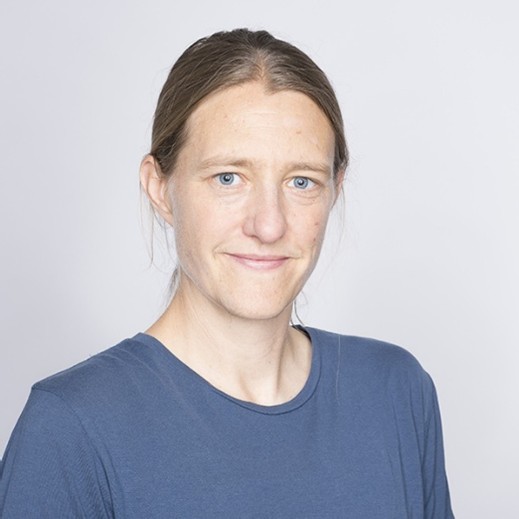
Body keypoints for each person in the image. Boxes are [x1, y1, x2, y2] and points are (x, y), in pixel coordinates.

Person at [0, 29, 454, 518]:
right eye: (228, 178)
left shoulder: (395, 392)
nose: (269, 225)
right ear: (159, 187)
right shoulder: (70, 429)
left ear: (334, 190)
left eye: (301, 182)